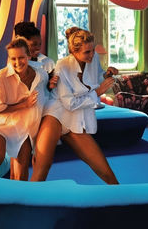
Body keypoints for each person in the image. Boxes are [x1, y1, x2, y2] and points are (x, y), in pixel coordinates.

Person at [30, 29, 119, 184]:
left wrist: (106, 75)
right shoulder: (62, 65)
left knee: (106, 172)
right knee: (41, 170)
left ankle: (123, 198)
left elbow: (96, 76)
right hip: (55, 113)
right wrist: (97, 92)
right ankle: (27, 200)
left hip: (76, 116)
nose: (92, 55)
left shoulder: (93, 58)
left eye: (93, 50)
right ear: (73, 51)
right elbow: (69, 103)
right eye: (87, 52)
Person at [0, 37, 49, 180]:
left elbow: (46, 95)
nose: (17, 62)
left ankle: (17, 193)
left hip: (22, 125)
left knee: (21, 170)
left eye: (21, 57)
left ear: (29, 56)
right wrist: (24, 104)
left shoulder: (41, 75)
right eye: (13, 58)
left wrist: (52, 85)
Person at [14, 21, 58, 88]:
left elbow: (53, 91)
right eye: (34, 44)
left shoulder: (48, 62)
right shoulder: (14, 67)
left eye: (40, 44)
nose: (38, 48)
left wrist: (49, 87)